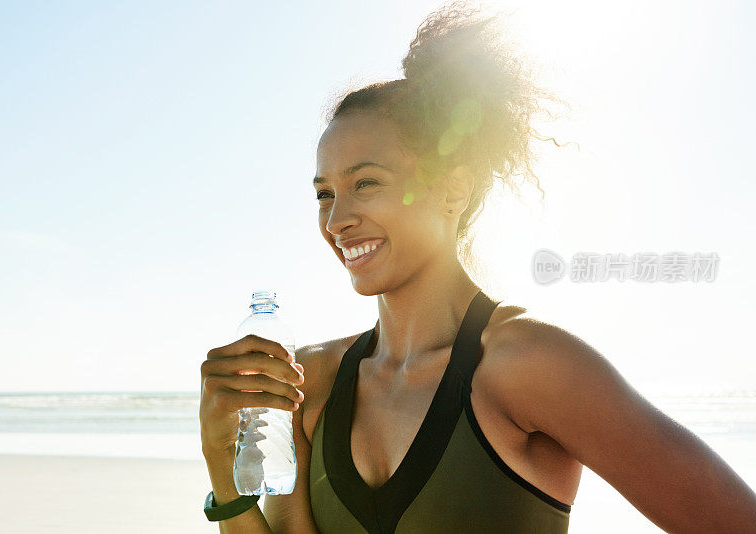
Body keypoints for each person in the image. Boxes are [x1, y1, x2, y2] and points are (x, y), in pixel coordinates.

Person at [199, 2, 756, 532]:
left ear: (452, 190)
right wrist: (223, 471)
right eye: (324, 194)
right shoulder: (312, 380)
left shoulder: (530, 364)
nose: (337, 219)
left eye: (366, 183)